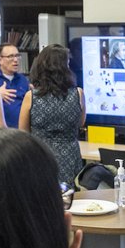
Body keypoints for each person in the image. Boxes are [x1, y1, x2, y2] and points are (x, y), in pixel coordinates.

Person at [19, 43, 85, 186]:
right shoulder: (78, 94)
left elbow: (23, 132)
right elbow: (80, 123)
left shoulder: (30, 97)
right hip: (70, 156)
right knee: (70, 199)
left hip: (39, 156)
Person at [0, 41, 31, 127]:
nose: (15, 60)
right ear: (0, 60)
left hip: (20, 132)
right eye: (10, 56)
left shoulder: (23, 80)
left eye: (17, 56)